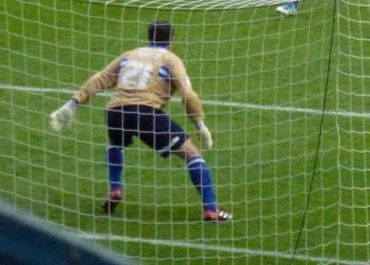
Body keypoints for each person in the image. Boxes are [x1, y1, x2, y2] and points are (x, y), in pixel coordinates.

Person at [48, 21, 232, 222]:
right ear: (172, 39)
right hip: (145, 112)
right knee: (193, 154)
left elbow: (101, 78)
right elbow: (188, 95)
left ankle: (115, 188)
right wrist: (200, 125)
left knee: (115, 143)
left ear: (149, 36)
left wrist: (73, 103)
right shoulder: (171, 59)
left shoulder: (130, 54)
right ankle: (211, 210)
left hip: (115, 111)